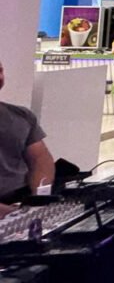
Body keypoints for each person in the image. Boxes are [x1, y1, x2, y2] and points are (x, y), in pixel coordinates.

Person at [0, 59, 56, 218]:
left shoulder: (21, 116)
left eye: (0, 70)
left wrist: (38, 198)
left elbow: (40, 159)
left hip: (18, 203)